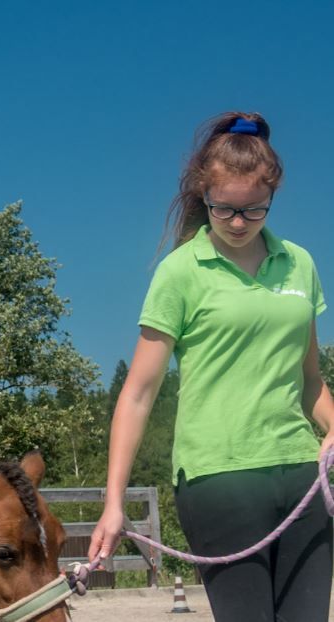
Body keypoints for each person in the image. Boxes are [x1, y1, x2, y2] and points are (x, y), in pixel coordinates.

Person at [88, 112, 334, 621]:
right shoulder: (179, 273)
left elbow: (311, 381)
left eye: (254, 210)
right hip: (218, 481)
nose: (239, 223)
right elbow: (136, 395)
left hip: (301, 475)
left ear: (272, 197)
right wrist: (114, 502)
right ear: (204, 195)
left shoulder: (301, 265)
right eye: (224, 210)